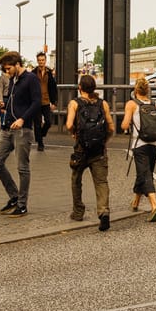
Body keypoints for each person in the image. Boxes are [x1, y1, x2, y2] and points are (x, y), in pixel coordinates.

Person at [0, 51, 41, 218]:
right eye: (5, 69)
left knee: (22, 168)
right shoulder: (13, 80)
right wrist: (3, 104)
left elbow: (36, 103)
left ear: (17, 64)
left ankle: (22, 205)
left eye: (8, 68)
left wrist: (22, 119)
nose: (7, 72)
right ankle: (14, 196)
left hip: (22, 129)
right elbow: (15, 102)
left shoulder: (31, 79)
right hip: (7, 127)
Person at [65, 74, 114, 231]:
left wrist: (75, 133)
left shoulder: (75, 103)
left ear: (80, 88)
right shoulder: (103, 104)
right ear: (94, 88)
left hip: (81, 149)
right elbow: (111, 128)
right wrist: (104, 141)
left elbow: (68, 124)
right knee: (101, 182)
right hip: (99, 150)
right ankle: (103, 212)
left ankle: (78, 211)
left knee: (76, 179)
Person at [122, 77, 156, 222]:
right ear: (148, 90)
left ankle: (154, 206)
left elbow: (123, 125)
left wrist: (127, 124)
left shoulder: (131, 104)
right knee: (144, 173)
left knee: (146, 174)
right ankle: (135, 202)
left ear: (135, 90)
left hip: (139, 145)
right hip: (154, 145)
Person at [32, 52, 58, 151]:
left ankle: (41, 133)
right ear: (37, 61)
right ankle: (40, 143)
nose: (41, 62)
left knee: (48, 122)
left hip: (46, 101)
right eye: (39, 60)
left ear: (45, 60)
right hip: (36, 102)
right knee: (37, 123)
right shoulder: (33, 73)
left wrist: (54, 102)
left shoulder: (49, 73)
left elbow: (53, 88)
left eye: (42, 60)